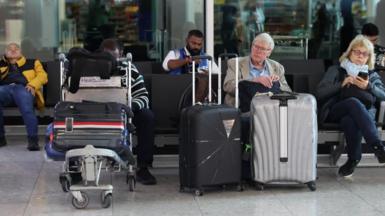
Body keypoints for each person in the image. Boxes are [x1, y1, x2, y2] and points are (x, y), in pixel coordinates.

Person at [316, 35, 385, 178]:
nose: (360, 56)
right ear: (349, 53)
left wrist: (369, 86)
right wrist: (341, 84)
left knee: (350, 119)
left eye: (364, 53)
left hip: (360, 115)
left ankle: (353, 159)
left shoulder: (371, 75)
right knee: (353, 102)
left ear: (368, 57)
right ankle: (378, 146)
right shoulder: (336, 70)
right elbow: (320, 92)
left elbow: (383, 95)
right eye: (356, 52)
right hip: (336, 110)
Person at [99, 38, 156, 185]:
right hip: (98, 112)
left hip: (125, 111)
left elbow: (143, 96)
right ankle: (76, 169)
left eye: (114, 56)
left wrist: (130, 108)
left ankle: (143, 167)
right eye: (106, 56)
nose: (111, 60)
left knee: (147, 117)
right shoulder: (91, 68)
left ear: (121, 54)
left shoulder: (130, 69)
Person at [0, 43, 48, 150]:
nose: (13, 51)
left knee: (27, 109)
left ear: (21, 52)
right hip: (4, 89)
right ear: (5, 53)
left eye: (16, 49)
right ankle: (1, 138)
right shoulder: (1, 64)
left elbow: (43, 76)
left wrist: (32, 84)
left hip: (24, 88)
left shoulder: (32, 62)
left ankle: (33, 140)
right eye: (9, 49)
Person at [223, 32, 291, 107]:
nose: (258, 51)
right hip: (243, 109)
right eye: (256, 47)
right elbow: (228, 86)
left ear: (269, 52)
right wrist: (253, 80)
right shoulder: (235, 63)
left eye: (262, 49)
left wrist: (277, 83)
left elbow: (287, 91)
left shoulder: (277, 67)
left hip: (270, 109)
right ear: (252, 46)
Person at [162, 29, 219, 103]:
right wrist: (186, 61)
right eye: (193, 43)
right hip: (176, 94)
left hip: (201, 96)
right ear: (186, 41)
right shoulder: (175, 53)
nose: (196, 47)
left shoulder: (206, 57)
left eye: (199, 44)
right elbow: (166, 65)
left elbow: (218, 75)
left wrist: (209, 74)